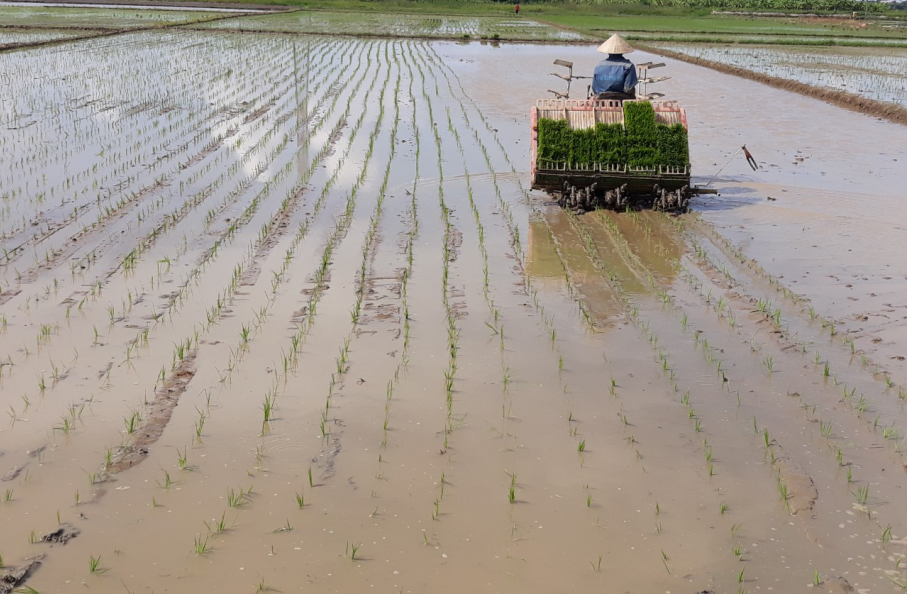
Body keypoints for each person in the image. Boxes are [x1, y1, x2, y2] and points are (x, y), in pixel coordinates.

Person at [591, 34, 638, 100]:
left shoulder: (599, 66)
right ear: (622, 52)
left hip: (601, 98)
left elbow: (594, 88)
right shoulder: (629, 66)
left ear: (608, 52)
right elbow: (628, 89)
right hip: (621, 98)